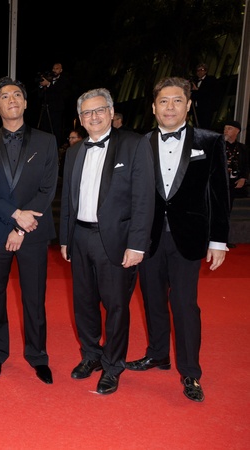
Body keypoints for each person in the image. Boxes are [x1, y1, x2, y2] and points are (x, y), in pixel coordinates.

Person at [126, 77, 230, 403]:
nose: (169, 107)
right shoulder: (141, 143)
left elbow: (220, 194)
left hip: (189, 237)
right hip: (150, 237)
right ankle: (158, 354)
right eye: (163, 101)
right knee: (152, 300)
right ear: (153, 107)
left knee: (184, 306)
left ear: (188, 105)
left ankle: (190, 372)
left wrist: (218, 241)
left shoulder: (210, 141)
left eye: (176, 101)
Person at [59, 87, 155, 395]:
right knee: (83, 303)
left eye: (99, 110)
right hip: (80, 236)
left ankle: (113, 365)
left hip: (115, 240)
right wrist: (65, 238)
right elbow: (69, 199)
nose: (94, 116)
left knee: (116, 307)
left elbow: (144, 199)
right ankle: (91, 355)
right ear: (80, 119)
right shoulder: (73, 152)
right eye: (87, 112)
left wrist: (137, 244)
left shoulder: (134, 144)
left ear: (111, 113)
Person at [0, 76, 57, 384]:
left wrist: (21, 228)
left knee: (34, 297)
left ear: (25, 102)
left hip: (33, 231)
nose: (12, 99)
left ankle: (38, 355)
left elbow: (47, 189)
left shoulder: (46, 141)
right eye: (5, 96)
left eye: (17, 94)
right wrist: (15, 216)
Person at [37, 62, 71, 148]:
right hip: (45, 109)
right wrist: (41, 85)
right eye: (53, 68)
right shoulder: (49, 78)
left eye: (57, 68)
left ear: (61, 70)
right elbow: (40, 95)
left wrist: (48, 84)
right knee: (44, 129)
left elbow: (58, 92)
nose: (54, 70)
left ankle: (56, 147)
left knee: (56, 130)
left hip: (56, 110)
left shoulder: (64, 80)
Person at [222, 119, 248, 212]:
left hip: (233, 182)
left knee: (228, 206)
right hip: (218, 181)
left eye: (229, 128)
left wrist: (243, 178)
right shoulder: (218, 145)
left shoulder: (242, 148)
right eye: (225, 128)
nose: (225, 131)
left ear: (237, 131)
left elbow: (245, 164)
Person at [190, 63, 218, 130]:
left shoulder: (210, 80)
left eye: (201, 70)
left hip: (206, 109)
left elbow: (207, 93)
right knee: (196, 127)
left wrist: (197, 90)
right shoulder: (195, 81)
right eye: (198, 70)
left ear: (206, 71)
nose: (199, 72)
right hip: (196, 109)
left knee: (204, 127)